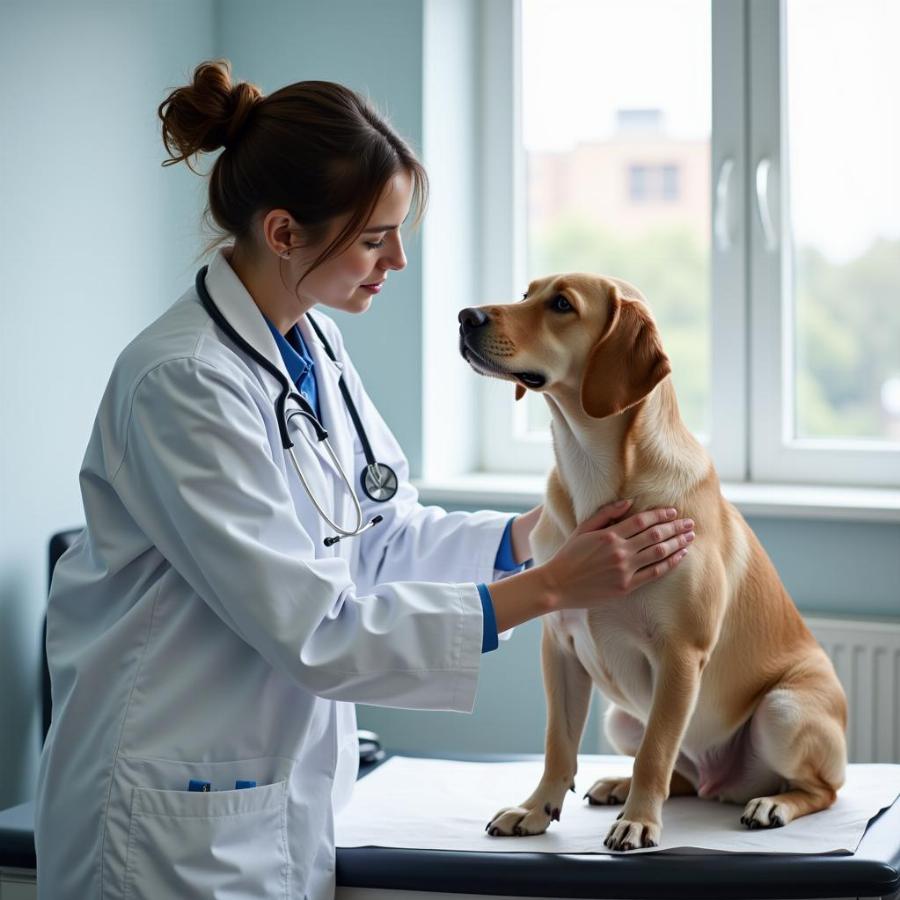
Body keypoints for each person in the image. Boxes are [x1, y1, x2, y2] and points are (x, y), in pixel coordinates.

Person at [34, 60, 693, 900]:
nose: (400, 261)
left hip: (265, 800)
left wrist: (532, 535)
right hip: (161, 823)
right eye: (376, 238)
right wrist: (550, 587)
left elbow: (377, 533)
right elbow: (314, 629)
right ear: (283, 233)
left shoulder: (312, 347)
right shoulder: (183, 382)